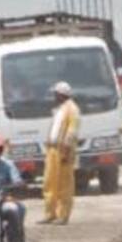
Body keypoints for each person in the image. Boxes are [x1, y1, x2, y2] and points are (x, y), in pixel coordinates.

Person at [40, 81, 80, 225]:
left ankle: (63, 215)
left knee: (64, 185)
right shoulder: (60, 109)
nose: (53, 96)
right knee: (50, 183)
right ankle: (50, 214)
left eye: (55, 94)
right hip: (52, 150)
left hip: (63, 151)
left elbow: (71, 133)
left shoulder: (72, 109)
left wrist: (66, 152)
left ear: (61, 94)